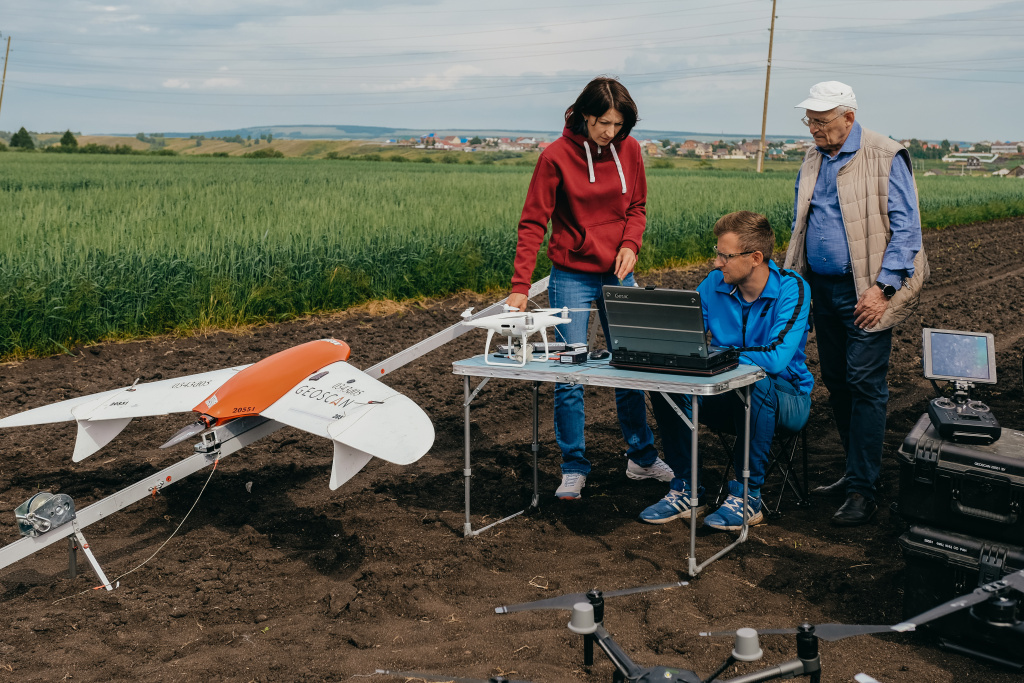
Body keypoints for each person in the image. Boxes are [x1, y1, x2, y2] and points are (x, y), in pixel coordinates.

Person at [507, 77, 672, 500]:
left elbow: (637, 207)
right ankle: (574, 466)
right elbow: (532, 224)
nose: (609, 133)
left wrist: (631, 245)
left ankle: (641, 456)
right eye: (603, 123)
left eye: (617, 124)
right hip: (572, 276)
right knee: (569, 372)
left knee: (631, 366)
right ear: (584, 114)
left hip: (619, 273)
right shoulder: (555, 158)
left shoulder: (630, 150)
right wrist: (520, 286)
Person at [784, 81, 928, 526]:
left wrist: (881, 288)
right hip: (822, 290)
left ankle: (865, 490)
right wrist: (798, 286)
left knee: (865, 385)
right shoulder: (812, 158)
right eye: (810, 121)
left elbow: (907, 231)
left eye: (822, 122)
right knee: (838, 381)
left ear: (849, 117)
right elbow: (801, 224)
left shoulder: (885, 155)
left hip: (866, 289)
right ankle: (854, 474)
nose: (814, 129)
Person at [640, 211, 813, 530]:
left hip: (786, 399)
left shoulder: (793, 288)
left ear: (755, 257)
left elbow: (775, 358)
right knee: (666, 382)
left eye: (725, 255)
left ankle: (748, 497)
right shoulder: (712, 285)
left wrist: (715, 356)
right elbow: (686, 341)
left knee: (756, 380)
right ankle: (686, 489)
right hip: (723, 396)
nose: (717, 262)